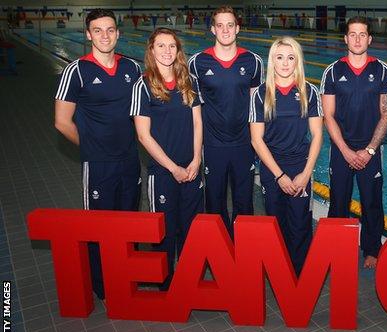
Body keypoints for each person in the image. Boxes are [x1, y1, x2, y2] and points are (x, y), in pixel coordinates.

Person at [54, 8, 142, 300]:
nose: (105, 35)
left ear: (118, 33)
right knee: (99, 224)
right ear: (89, 34)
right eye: (98, 30)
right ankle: (102, 284)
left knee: (129, 220)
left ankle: (129, 276)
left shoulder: (132, 67)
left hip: (130, 160)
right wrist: (91, 146)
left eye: (110, 29)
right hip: (99, 163)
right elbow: (62, 122)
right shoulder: (76, 70)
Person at [320, 16, 387, 269]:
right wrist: (344, 150)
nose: (357, 39)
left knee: (371, 202)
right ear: (345, 38)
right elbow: (327, 115)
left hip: (371, 149)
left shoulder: (382, 70)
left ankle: (372, 249)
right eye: (352, 34)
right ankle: (334, 247)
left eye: (362, 34)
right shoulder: (332, 71)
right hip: (341, 149)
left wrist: (370, 149)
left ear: (370, 39)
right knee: (338, 200)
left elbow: (386, 113)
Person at [130, 28, 203, 290]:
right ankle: (165, 282)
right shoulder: (144, 85)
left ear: (178, 50)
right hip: (163, 171)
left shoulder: (189, 81)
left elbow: (197, 123)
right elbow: (143, 136)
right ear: (151, 50)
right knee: (165, 228)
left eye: (171, 46)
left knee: (191, 226)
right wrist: (173, 168)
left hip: (192, 168)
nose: (167, 51)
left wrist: (196, 160)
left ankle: (188, 277)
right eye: (161, 46)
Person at [249, 37, 323, 275]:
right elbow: (256, 139)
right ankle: (279, 272)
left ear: (297, 61)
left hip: (300, 166)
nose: (285, 63)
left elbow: (317, 135)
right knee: (276, 221)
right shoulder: (261, 94)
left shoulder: (309, 92)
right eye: (279, 57)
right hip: (272, 169)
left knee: (301, 223)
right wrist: (279, 175)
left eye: (290, 58)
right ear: (272, 60)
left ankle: (300, 276)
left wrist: (305, 174)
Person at [188, 6, 263, 235]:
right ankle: (218, 250)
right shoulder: (197, 63)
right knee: (214, 202)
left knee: (244, 202)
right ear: (213, 29)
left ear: (237, 28)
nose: (225, 30)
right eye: (220, 25)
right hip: (213, 145)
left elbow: (256, 105)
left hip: (244, 144)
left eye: (230, 25)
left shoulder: (253, 61)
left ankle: (242, 250)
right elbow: (193, 110)